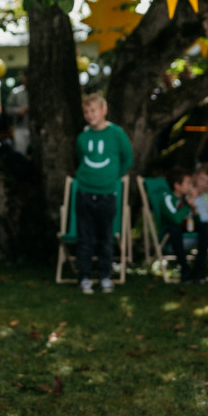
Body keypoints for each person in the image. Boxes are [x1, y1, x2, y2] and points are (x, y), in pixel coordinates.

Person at [73, 93, 132, 294]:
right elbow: (80, 157)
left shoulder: (116, 134)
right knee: (85, 238)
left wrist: (114, 176)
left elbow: (128, 158)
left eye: (94, 110)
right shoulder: (83, 137)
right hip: (84, 193)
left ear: (104, 110)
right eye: (86, 112)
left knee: (106, 238)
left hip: (107, 194)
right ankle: (85, 277)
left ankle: (105, 276)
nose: (90, 115)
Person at [159, 166, 208, 283]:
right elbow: (176, 219)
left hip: (185, 228)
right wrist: (188, 204)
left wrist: (194, 209)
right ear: (177, 186)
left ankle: (199, 269)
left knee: (206, 227)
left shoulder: (185, 198)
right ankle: (185, 269)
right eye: (188, 183)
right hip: (170, 235)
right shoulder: (168, 198)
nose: (191, 187)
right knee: (174, 228)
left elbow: (195, 221)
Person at [5, 74, 30, 155]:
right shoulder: (16, 92)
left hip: (34, 127)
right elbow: (8, 109)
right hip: (20, 127)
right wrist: (19, 111)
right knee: (21, 152)